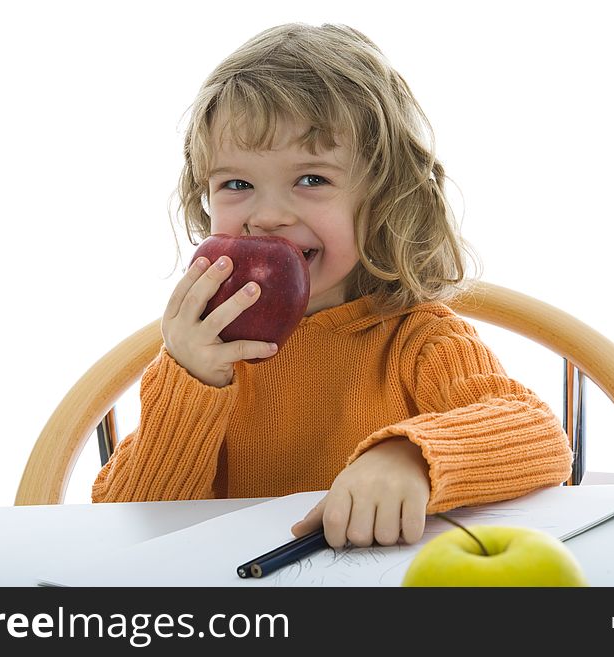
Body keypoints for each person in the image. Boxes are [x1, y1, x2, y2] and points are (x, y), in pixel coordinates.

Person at [92, 23, 572, 549]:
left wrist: (410, 454)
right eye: (236, 184)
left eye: (312, 179)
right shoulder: (207, 353)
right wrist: (193, 380)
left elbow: (538, 435)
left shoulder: (419, 339)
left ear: (385, 198)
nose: (267, 216)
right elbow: (128, 524)